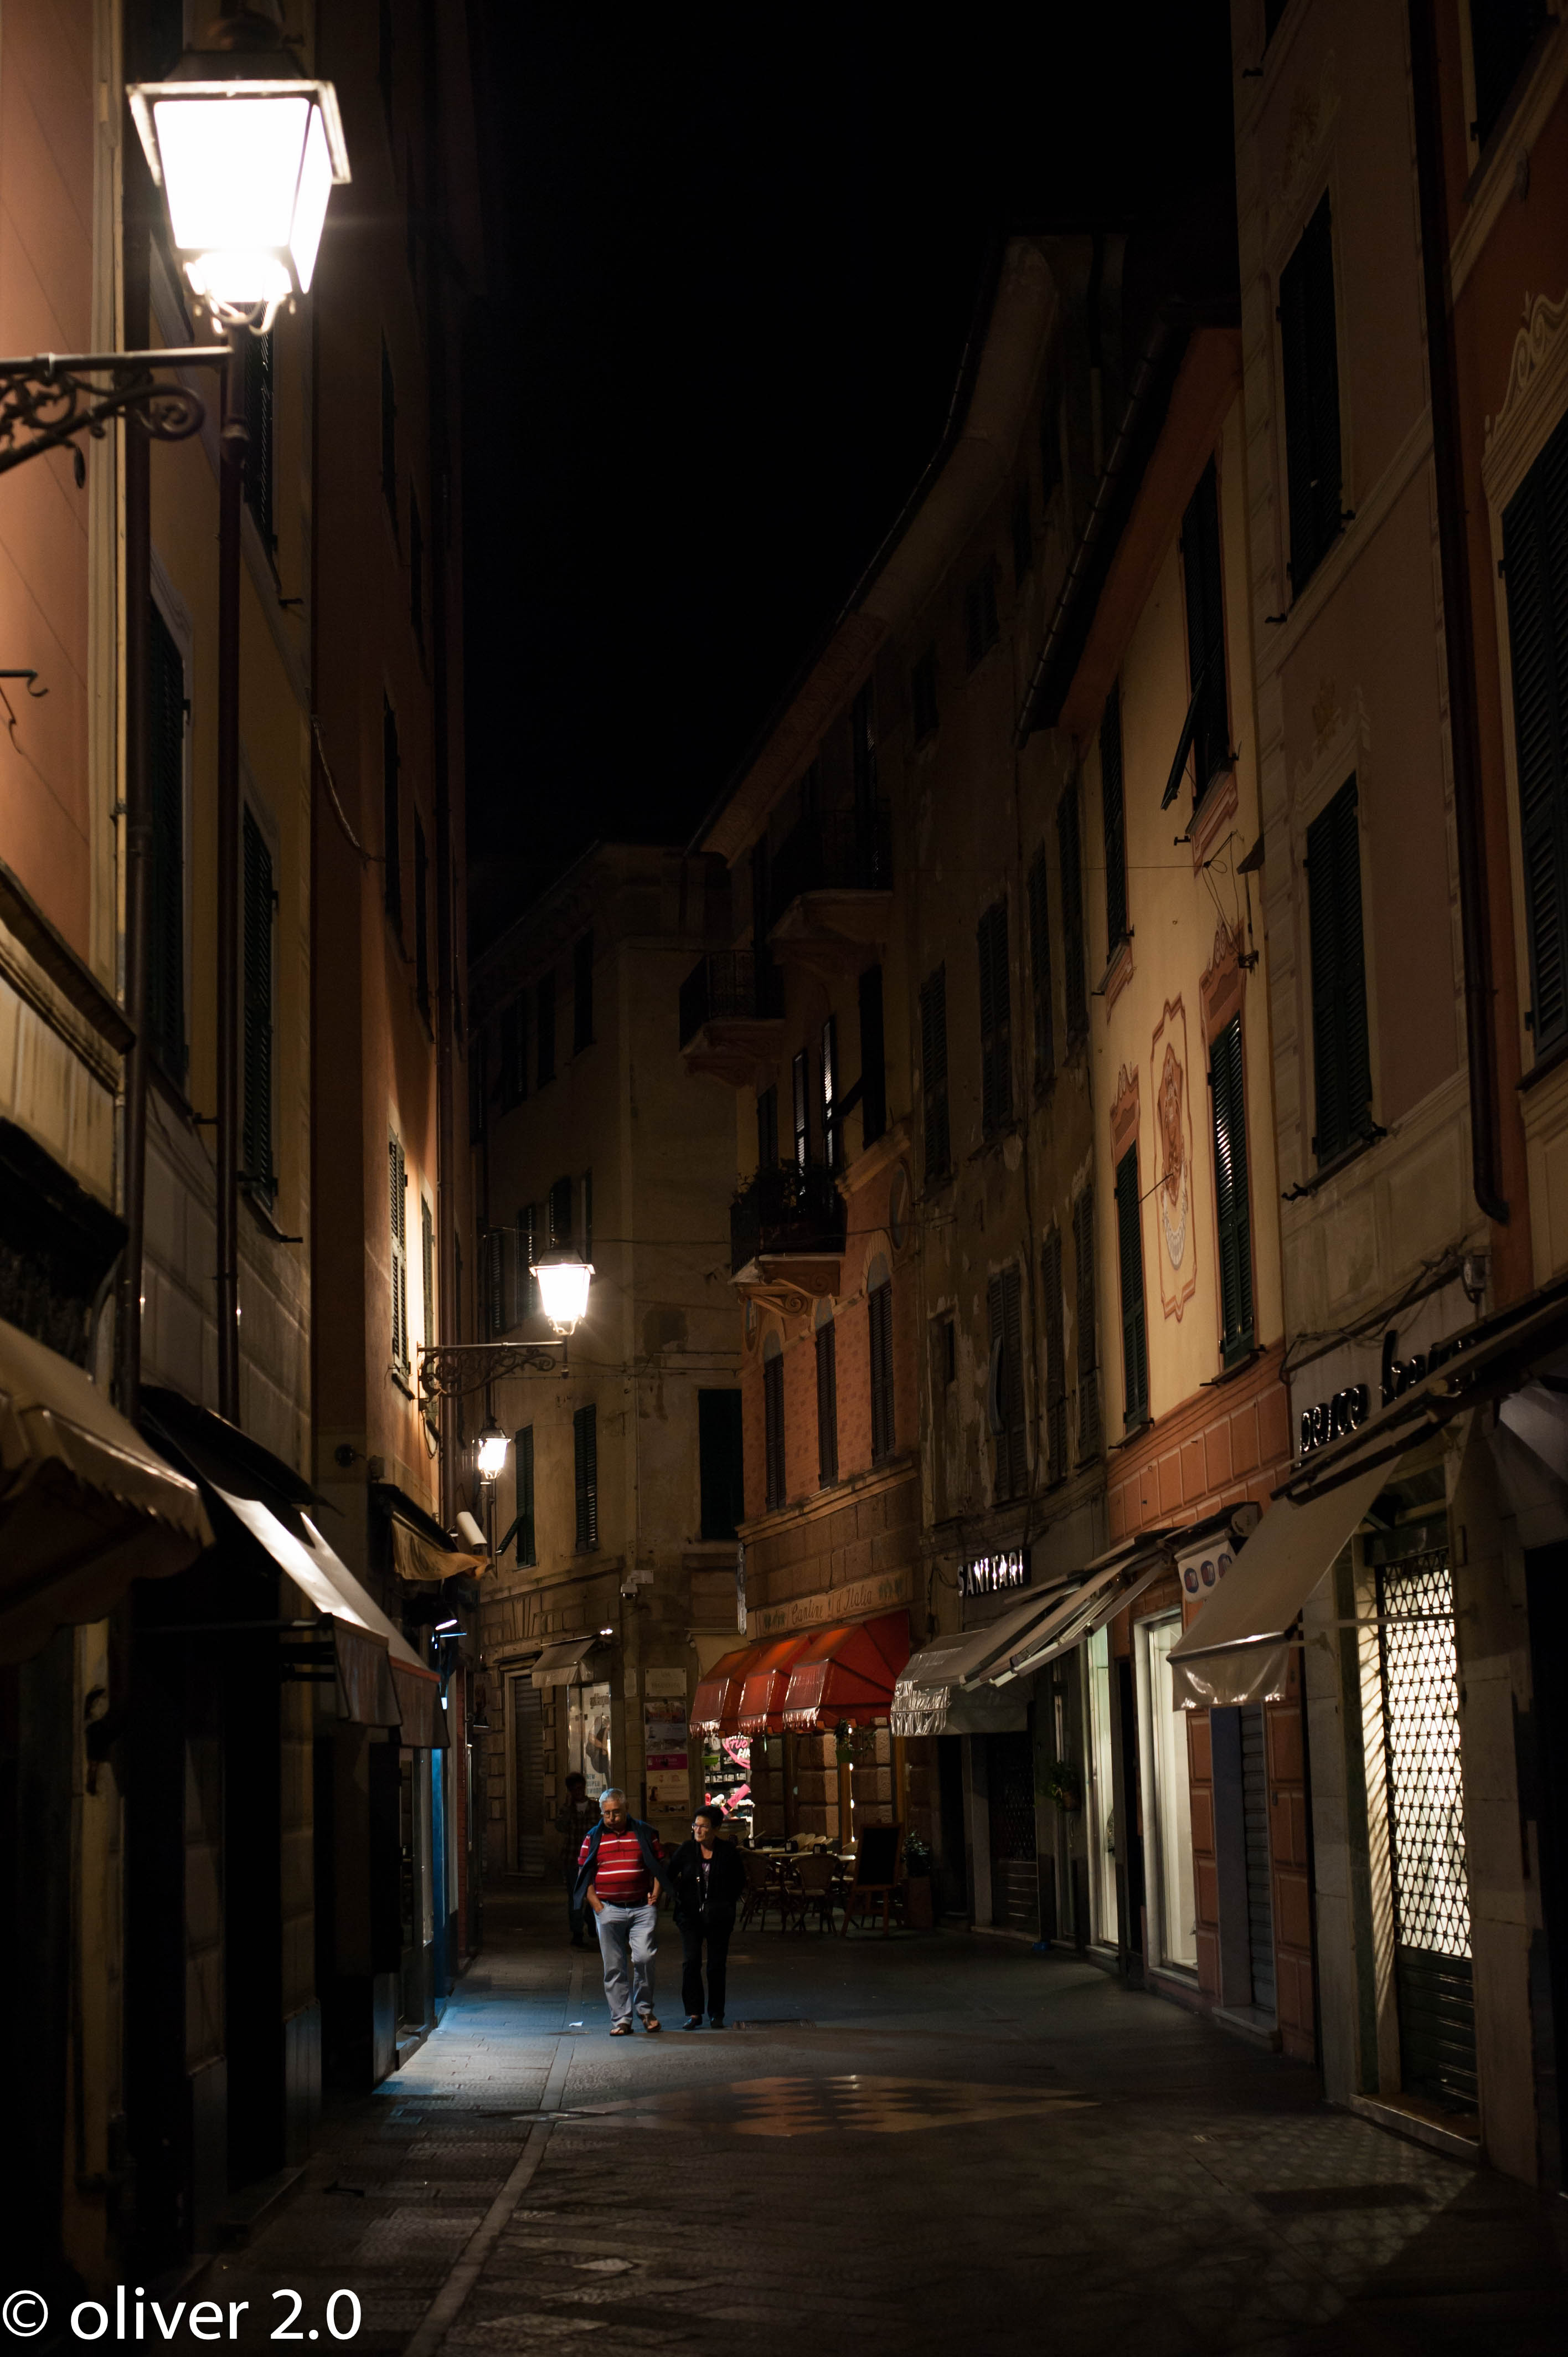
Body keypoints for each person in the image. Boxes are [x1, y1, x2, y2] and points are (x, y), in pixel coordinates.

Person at [574, 1787, 664, 2034]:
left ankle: (645, 2010)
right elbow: (584, 1873)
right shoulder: (593, 1837)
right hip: (609, 1909)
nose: (612, 1818)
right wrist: (597, 1906)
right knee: (614, 1967)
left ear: (627, 1809)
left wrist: (656, 1894)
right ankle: (622, 2019)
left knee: (645, 1958)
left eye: (617, 1812)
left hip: (641, 1908)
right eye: (607, 1814)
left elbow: (658, 1866)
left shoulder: (644, 1833)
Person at [667, 1805, 746, 2030]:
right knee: (691, 1962)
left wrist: (725, 1903)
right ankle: (694, 2013)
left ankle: (716, 2013)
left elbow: (739, 1881)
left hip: (719, 1916)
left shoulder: (728, 1852)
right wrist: (678, 1896)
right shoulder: (687, 1850)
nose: (698, 1830)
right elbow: (668, 1875)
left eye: (704, 1826)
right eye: (696, 1825)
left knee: (716, 1965)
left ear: (716, 1829)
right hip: (689, 1916)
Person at [554, 1773, 598, 1948]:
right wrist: (567, 1807)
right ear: (570, 1791)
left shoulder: (595, 1807)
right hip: (572, 1858)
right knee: (575, 1897)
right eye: (574, 1790)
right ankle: (577, 1932)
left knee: (596, 1893)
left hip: (593, 1859)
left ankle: (591, 1918)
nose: (578, 1792)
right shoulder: (567, 1809)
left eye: (580, 1788)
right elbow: (560, 1827)